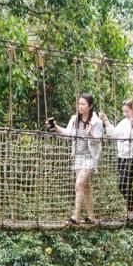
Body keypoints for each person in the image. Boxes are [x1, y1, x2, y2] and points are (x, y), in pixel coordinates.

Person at [47, 93, 104, 224]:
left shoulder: (97, 122)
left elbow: (98, 141)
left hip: (90, 157)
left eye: (83, 104)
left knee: (79, 184)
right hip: (78, 156)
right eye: (79, 103)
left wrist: (90, 134)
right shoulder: (75, 119)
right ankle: (91, 217)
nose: (80, 106)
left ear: (90, 106)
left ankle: (75, 217)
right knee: (86, 187)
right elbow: (68, 134)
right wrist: (55, 127)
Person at [101, 99, 133, 220]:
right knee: (122, 185)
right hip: (122, 156)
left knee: (125, 182)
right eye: (124, 112)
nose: (125, 114)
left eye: (127, 111)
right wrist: (106, 120)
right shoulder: (123, 122)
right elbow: (113, 135)